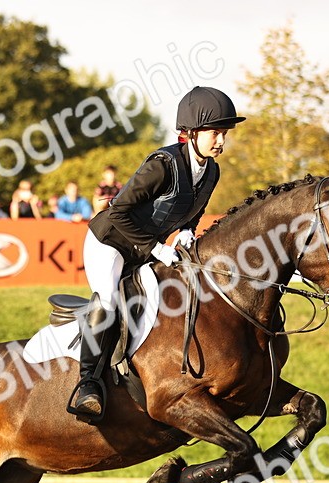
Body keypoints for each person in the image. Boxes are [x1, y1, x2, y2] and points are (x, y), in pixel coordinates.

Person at [68, 86, 243, 420]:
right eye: (216, 133)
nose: (221, 141)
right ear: (192, 133)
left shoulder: (211, 171)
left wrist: (188, 229)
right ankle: (87, 383)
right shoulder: (162, 165)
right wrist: (156, 248)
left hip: (146, 250)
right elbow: (118, 211)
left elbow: (193, 210)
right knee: (108, 299)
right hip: (110, 242)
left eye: (224, 134)